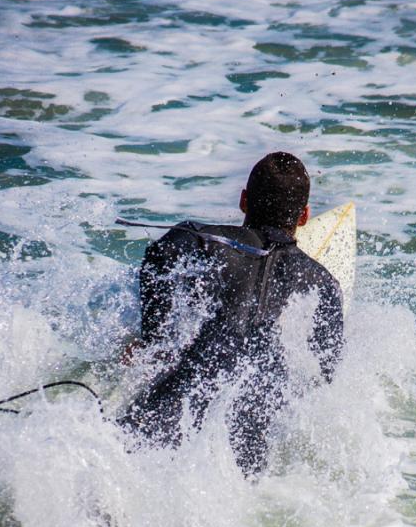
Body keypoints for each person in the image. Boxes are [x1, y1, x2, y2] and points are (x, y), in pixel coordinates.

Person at [121, 151, 344, 476]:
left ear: (243, 200)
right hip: (245, 439)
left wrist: (156, 341)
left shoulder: (199, 239)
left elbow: (158, 256)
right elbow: (327, 375)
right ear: (304, 216)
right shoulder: (323, 284)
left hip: (170, 409)